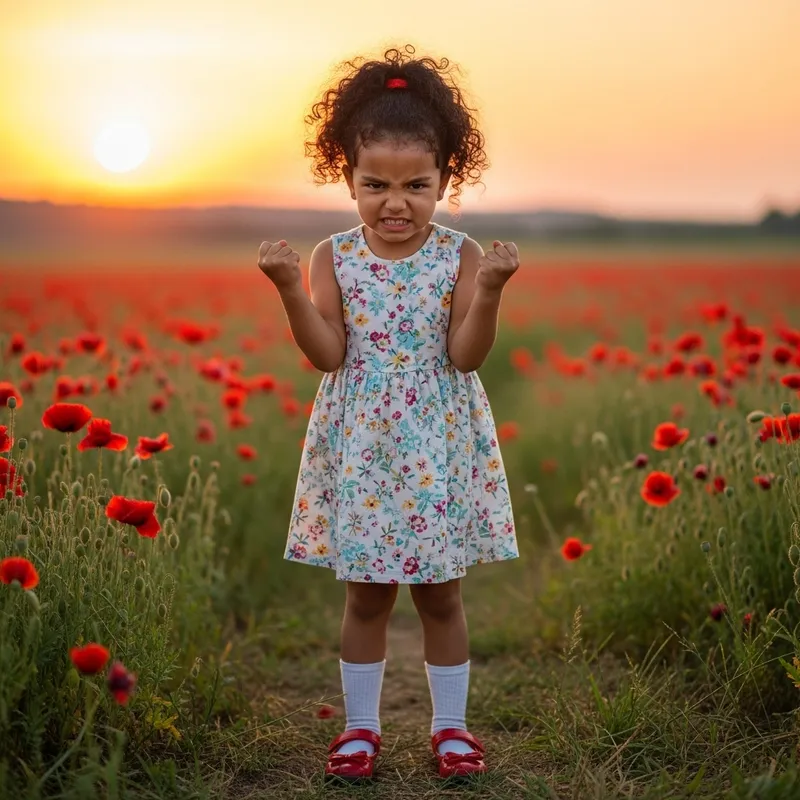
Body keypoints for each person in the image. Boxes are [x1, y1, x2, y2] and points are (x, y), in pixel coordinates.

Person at [257, 44, 519, 782]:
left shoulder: (460, 255)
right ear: (348, 178)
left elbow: (465, 356)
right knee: (366, 594)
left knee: (441, 594)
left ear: (446, 181)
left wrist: (492, 289)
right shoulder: (331, 256)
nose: (394, 201)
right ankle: (360, 730)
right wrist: (287, 290)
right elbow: (327, 356)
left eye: (416, 184)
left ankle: (453, 730)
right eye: (375, 184)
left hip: (436, 441)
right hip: (363, 445)